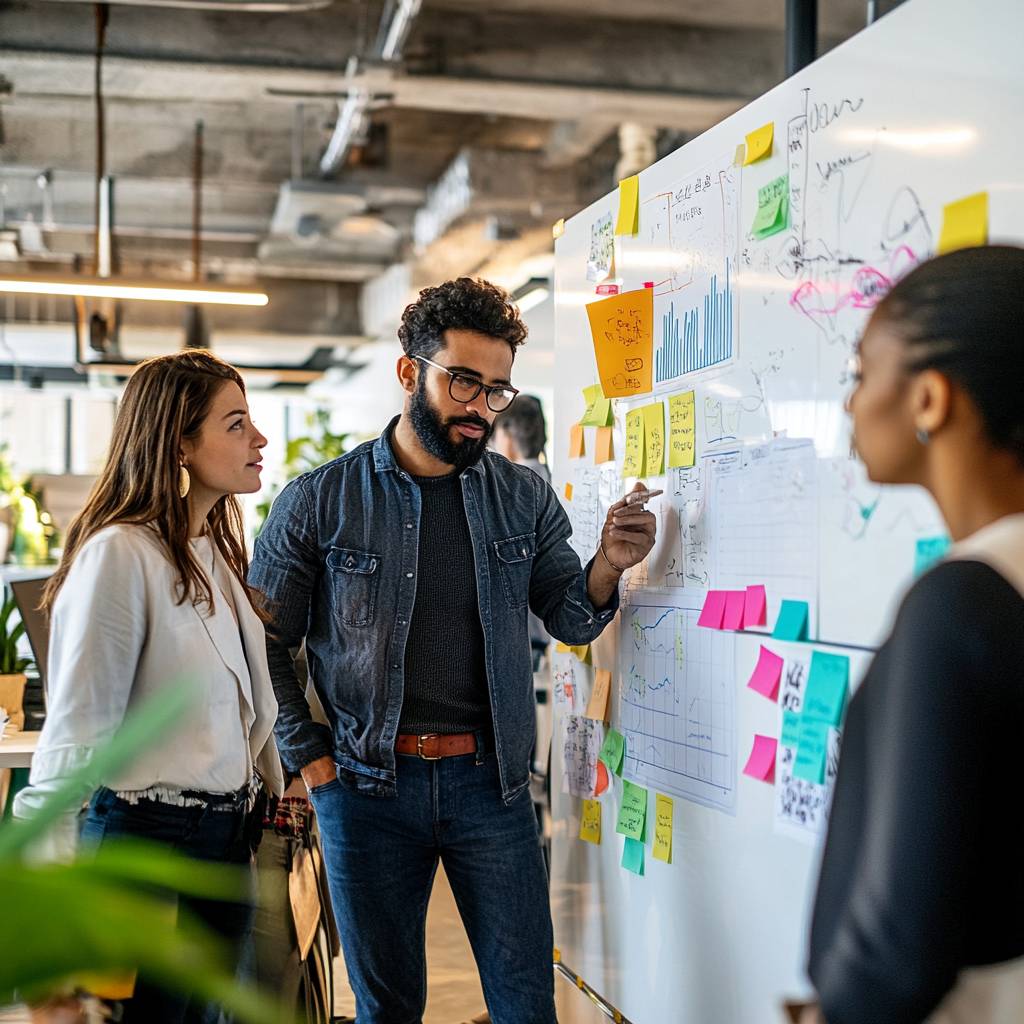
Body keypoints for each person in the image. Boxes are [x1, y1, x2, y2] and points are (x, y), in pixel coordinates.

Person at [250, 277, 657, 1024]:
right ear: (410, 372)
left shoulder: (522, 497)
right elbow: (262, 643)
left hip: (490, 787)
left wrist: (608, 562)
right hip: (365, 790)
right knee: (388, 1009)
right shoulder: (320, 500)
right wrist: (308, 754)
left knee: (525, 1004)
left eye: (496, 390)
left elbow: (569, 615)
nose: (480, 408)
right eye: (463, 382)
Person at [14, 350, 285, 1023]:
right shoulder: (120, 555)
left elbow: (237, 712)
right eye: (235, 424)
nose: (260, 440)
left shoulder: (212, 555)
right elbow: (75, 739)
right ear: (180, 445)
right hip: (143, 845)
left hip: (221, 845)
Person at [806, 246, 1024, 1024]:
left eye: (862, 375)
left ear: (930, 398)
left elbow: (903, 930)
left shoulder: (958, 605)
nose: (848, 406)